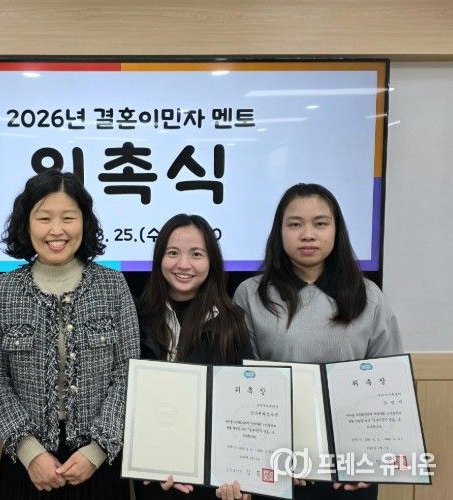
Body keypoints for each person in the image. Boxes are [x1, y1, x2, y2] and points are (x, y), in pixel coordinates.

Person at [233, 183, 404, 500]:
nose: (308, 235)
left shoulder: (369, 296)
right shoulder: (251, 294)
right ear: (279, 231)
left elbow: (389, 387)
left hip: (351, 465)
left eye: (320, 223)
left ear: (337, 230)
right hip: (277, 464)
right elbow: (244, 383)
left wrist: (374, 459)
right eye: (295, 224)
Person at [0, 169, 139, 499]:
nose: (56, 230)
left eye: (68, 217)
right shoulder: (3, 290)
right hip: (27, 468)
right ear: (26, 224)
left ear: (85, 222)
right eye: (44, 218)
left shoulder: (113, 285)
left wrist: (96, 450)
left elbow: (128, 374)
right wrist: (29, 452)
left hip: (100, 465)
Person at [134, 214, 252, 500]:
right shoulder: (137, 316)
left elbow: (245, 403)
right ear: (159, 258)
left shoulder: (232, 321)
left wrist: (243, 474)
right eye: (173, 253)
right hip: (155, 474)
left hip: (214, 479)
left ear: (211, 261)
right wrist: (145, 459)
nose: (184, 264)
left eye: (196, 254)